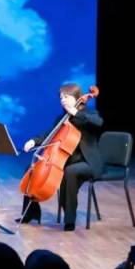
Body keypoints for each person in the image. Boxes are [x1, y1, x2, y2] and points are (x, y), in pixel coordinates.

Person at [17, 82, 103, 231]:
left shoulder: (89, 114)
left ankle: (70, 219)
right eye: (61, 97)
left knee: (70, 172)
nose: (63, 100)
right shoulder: (62, 118)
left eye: (66, 97)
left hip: (87, 162)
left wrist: (75, 112)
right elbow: (49, 134)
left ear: (77, 97)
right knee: (32, 169)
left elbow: (99, 123)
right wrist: (33, 141)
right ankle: (30, 212)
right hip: (68, 160)